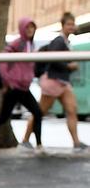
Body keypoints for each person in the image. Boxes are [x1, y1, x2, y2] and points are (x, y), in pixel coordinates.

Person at [22, 12, 88, 152]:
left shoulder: (66, 41)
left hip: (63, 83)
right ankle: (25, 140)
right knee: (39, 112)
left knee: (72, 110)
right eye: (68, 24)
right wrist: (69, 66)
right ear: (63, 25)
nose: (71, 27)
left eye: (72, 24)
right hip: (53, 82)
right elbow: (53, 59)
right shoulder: (58, 41)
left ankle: (76, 143)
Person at [0, 17, 43, 156]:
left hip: (24, 88)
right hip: (15, 88)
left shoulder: (30, 44)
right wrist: (8, 82)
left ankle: (38, 145)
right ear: (22, 29)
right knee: (4, 117)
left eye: (32, 28)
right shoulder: (18, 43)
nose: (30, 30)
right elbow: (2, 62)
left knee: (36, 113)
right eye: (27, 28)